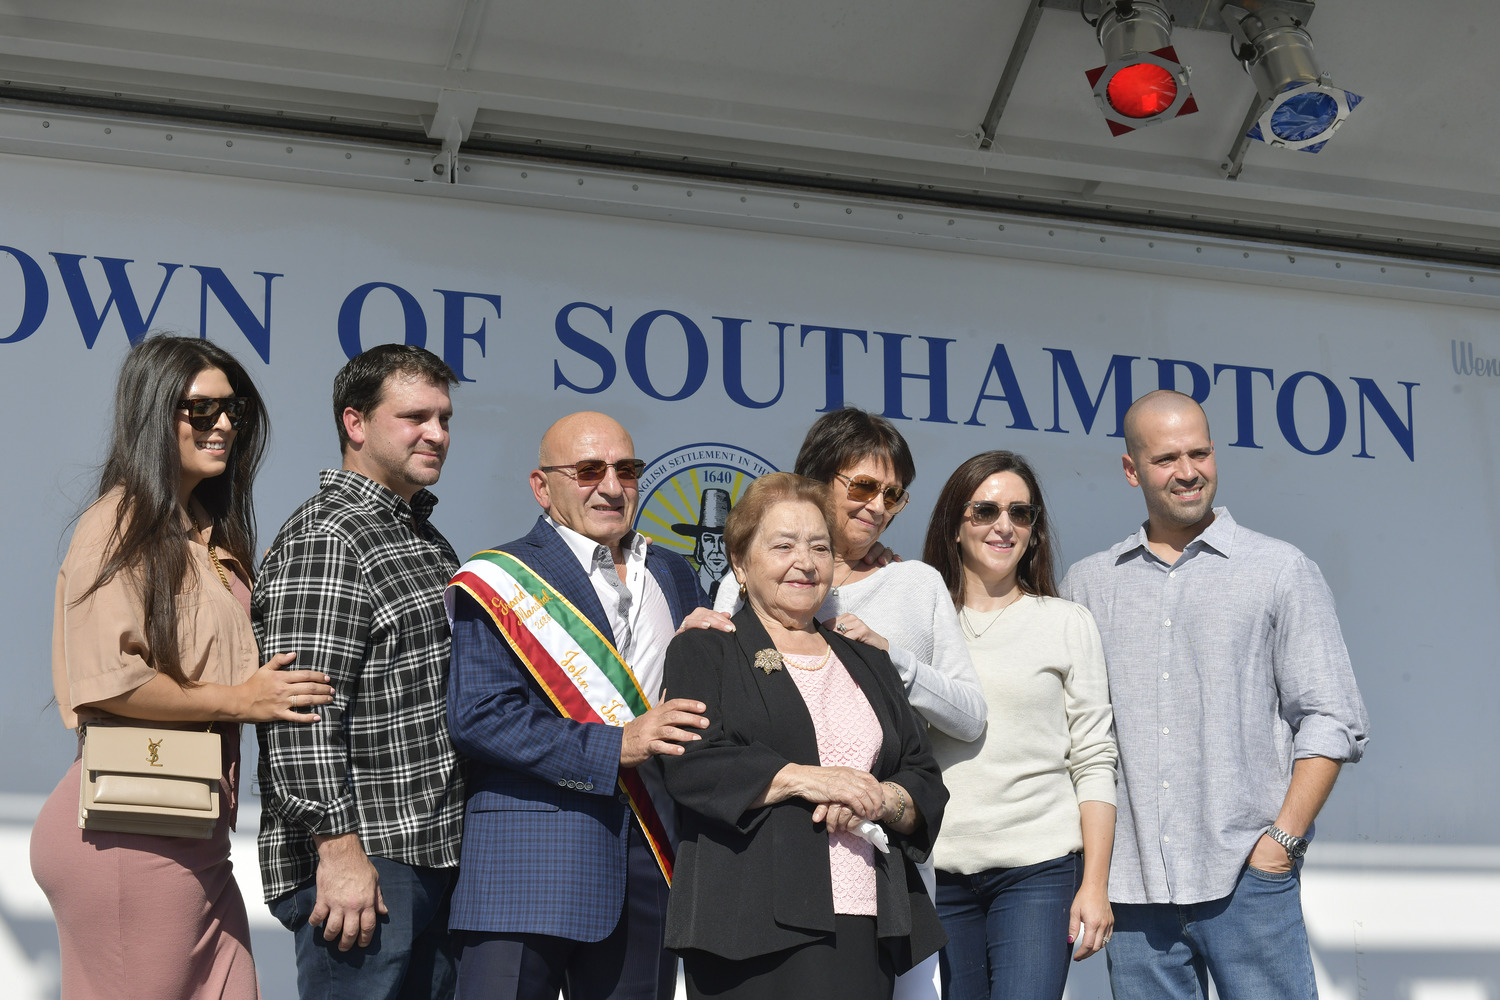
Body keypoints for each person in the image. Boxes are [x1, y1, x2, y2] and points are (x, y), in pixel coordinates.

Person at [31, 335, 334, 1000]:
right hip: (128, 830)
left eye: (234, 410)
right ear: (153, 413)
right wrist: (241, 700)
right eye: (201, 410)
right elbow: (115, 682)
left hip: (189, 827)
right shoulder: (120, 524)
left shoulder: (202, 529)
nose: (224, 424)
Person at [1061, 389, 1369, 1000]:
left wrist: (1280, 844)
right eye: (1165, 458)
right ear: (1131, 470)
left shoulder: (1280, 570)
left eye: (1199, 453)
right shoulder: (1088, 585)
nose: (1187, 471)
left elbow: (1333, 718)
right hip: (1134, 889)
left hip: (1247, 880)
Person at [444, 410, 724, 1000]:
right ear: (541, 487)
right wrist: (617, 744)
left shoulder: (675, 572)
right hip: (528, 867)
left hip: (649, 855)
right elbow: (481, 717)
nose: (612, 486)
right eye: (589, 470)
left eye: (627, 470)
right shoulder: (501, 578)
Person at [712, 407, 984, 999]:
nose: (877, 506)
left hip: (886, 861)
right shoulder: (747, 580)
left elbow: (970, 714)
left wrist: (895, 660)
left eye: (894, 494)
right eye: (862, 485)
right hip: (772, 867)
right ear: (816, 477)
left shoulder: (916, 583)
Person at [662, 472, 949, 1000]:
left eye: (820, 547)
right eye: (784, 545)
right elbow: (693, 764)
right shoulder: (706, 649)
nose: (806, 561)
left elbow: (923, 777)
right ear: (742, 565)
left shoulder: (868, 657)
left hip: (866, 919)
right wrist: (807, 780)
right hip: (749, 927)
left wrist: (881, 798)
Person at [255, 344, 468, 999]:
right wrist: (338, 850)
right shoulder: (330, 536)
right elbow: (302, 711)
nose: (437, 433)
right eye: (415, 417)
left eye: (444, 418)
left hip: (432, 854)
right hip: (363, 865)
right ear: (355, 423)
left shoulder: (424, 540)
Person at [921, 451, 1117, 1000]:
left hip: (1039, 870)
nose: (1003, 525)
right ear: (954, 526)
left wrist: (1095, 885)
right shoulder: (922, 621)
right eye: (984, 510)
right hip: (939, 873)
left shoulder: (1065, 622)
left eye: (1021, 513)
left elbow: (1095, 757)